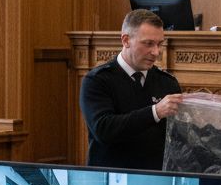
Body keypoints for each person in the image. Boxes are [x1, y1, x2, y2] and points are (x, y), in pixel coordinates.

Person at [79, 9, 184, 170]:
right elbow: (104, 129)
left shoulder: (167, 83)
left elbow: (181, 136)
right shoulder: (97, 80)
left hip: (156, 181)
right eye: (148, 43)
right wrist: (155, 112)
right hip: (112, 180)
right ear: (126, 40)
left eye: (159, 44)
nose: (156, 52)